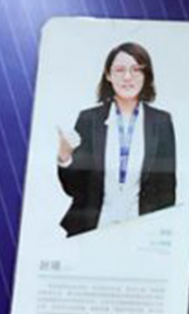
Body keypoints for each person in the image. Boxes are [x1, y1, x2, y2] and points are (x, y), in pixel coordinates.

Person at [57, 42, 176, 237]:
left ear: (146, 75)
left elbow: (166, 188)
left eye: (136, 70)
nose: (127, 77)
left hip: (140, 233)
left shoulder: (161, 122)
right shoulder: (89, 119)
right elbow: (75, 189)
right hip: (91, 230)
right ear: (108, 75)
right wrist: (65, 157)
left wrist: (157, 235)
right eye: (120, 70)